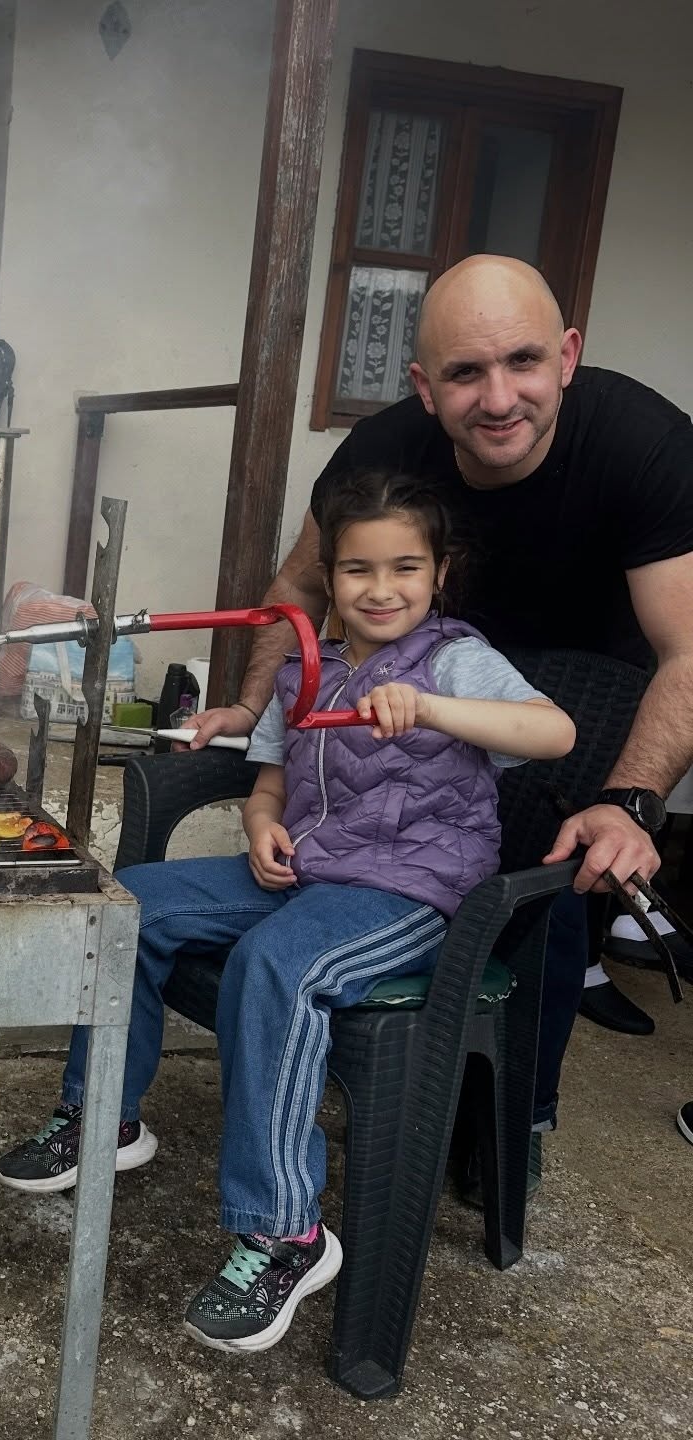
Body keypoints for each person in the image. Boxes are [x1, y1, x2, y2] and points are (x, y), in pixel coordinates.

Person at [0, 471, 576, 1353]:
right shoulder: (314, 667)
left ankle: (285, 1233)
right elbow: (271, 784)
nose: (381, 590)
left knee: (278, 963)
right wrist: (265, 829)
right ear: (331, 580)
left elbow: (554, 732)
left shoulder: (457, 657)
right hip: (306, 871)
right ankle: (102, 1114)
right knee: (131, 902)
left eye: (405, 568)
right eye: (357, 570)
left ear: (440, 573)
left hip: (408, 891)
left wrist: (431, 708)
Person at [187, 255, 693, 1146]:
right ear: (425, 386)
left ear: (568, 356)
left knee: (551, 835)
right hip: (432, 638)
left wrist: (630, 804)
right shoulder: (380, 451)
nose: (498, 398)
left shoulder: (644, 443)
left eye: (524, 362)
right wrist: (261, 707)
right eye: (465, 373)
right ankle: (360, 1004)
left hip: (596, 662)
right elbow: (299, 595)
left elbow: (687, 648)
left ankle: (513, 1117)